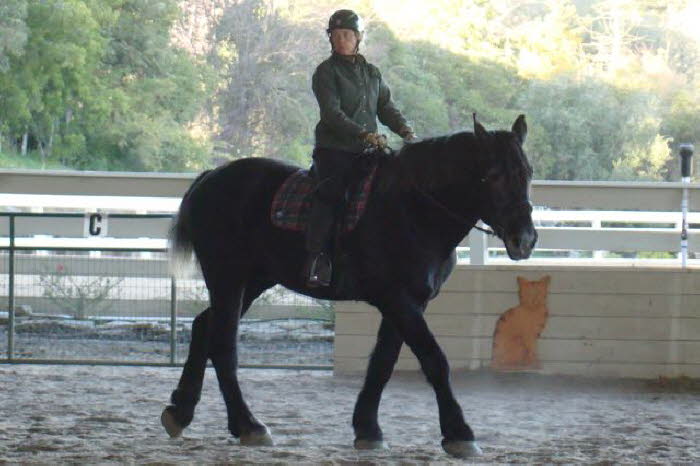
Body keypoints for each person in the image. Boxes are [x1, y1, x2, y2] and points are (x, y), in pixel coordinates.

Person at [305, 9, 416, 287]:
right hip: (335, 151)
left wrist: (403, 129)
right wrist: (364, 134)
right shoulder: (325, 72)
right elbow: (332, 114)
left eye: (347, 34)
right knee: (331, 194)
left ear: (358, 38)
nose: (342, 39)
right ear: (330, 38)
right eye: (336, 34)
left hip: (369, 151)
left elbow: (385, 107)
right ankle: (317, 260)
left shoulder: (372, 73)